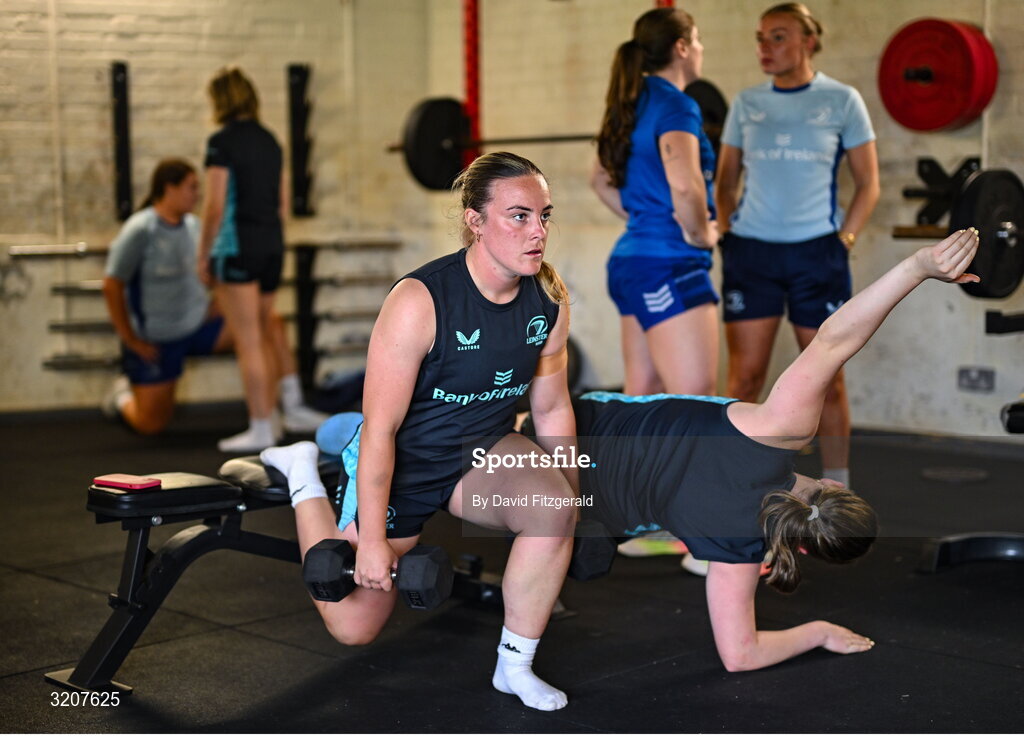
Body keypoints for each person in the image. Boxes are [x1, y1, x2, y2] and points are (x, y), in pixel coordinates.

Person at [270, 230, 980, 674]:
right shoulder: (738, 555)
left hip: (532, 487)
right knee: (383, 444)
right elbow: (740, 656)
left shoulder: (782, 429)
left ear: (823, 486)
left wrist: (917, 267)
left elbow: (836, 337)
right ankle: (338, 447)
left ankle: (311, 467)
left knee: (360, 609)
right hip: (522, 454)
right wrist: (819, 629)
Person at [260, 152, 579, 711]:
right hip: (402, 460)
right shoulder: (420, 301)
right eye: (520, 216)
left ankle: (514, 667)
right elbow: (381, 429)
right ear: (476, 221)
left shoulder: (548, 301)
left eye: (544, 216)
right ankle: (303, 471)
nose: (538, 232)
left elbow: (551, 410)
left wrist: (574, 502)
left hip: (480, 451)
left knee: (555, 507)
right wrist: (375, 542)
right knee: (353, 626)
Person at [715, 2, 881, 489]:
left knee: (828, 380)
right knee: (745, 380)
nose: (765, 47)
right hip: (752, 255)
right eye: (761, 38)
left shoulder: (842, 100)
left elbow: (868, 183)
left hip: (817, 255)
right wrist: (728, 233)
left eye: (779, 37)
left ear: (809, 41)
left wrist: (843, 239)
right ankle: (728, 482)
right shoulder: (746, 102)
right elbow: (724, 183)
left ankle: (837, 487)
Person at [592, 7, 720, 398]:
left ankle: (627, 464)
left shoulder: (628, 101)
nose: (700, 48)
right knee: (694, 404)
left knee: (644, 395)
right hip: (669, 261)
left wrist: (646, 217)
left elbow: (599, 181)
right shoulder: (676, 105)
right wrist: (702, 234)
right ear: (681, 47)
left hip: (631, 263)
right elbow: (685, 186)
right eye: (696, 40)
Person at [197, 66, 325, 452]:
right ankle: (275, 417)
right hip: (270, 245)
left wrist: (203, 254)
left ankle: (261, 427)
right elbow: (282, 204)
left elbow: (215, 205)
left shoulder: (222, 142)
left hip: (238, 249)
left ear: (221, 100)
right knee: (265, 330)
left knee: (248, 338)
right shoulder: (271, 141)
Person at [102, 158, 232, 434]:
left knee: (261, 326)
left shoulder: (196, 227)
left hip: (197, 327)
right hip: (157, 340)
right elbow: (112, 285)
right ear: (168, 188)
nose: (197, 195)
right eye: (191, 188)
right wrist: (131, 339)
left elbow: (215, 272)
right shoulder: (140, 230)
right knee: (151, 424)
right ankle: (121, 395)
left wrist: (219, 302)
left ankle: (270, 420)